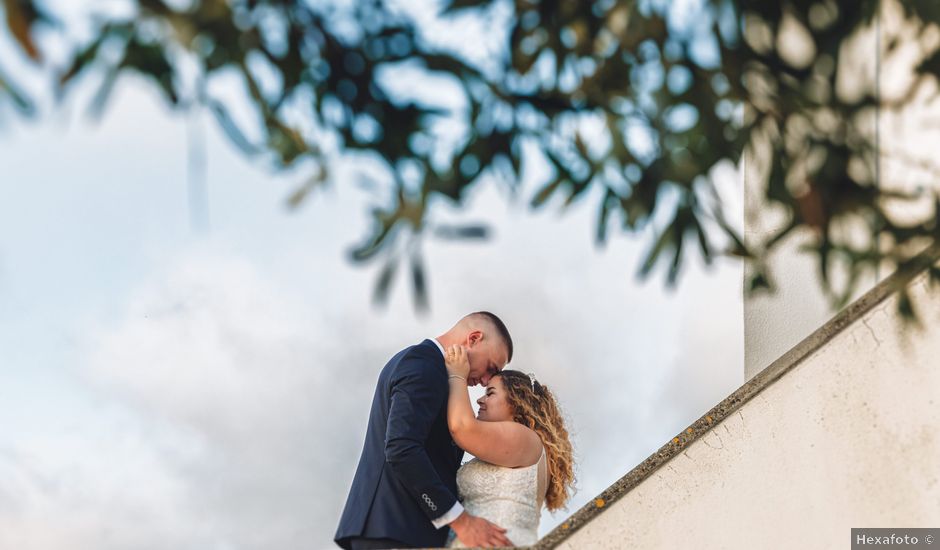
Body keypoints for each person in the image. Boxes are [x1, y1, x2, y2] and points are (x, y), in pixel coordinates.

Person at [334, 312, 515, 549]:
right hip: (394, 530)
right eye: (491, 368)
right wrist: (461, 522)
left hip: (401, 531)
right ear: (473, 339)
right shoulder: (423, 365)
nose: (486, 380)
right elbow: (402, 448)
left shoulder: (436, 370)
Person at [443, 345, 575, 547]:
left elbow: (462, 427)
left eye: (490, 393)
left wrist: (457, 376)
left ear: (516, 402)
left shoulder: (525, 438)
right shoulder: (519, 444)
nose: (480, 399)